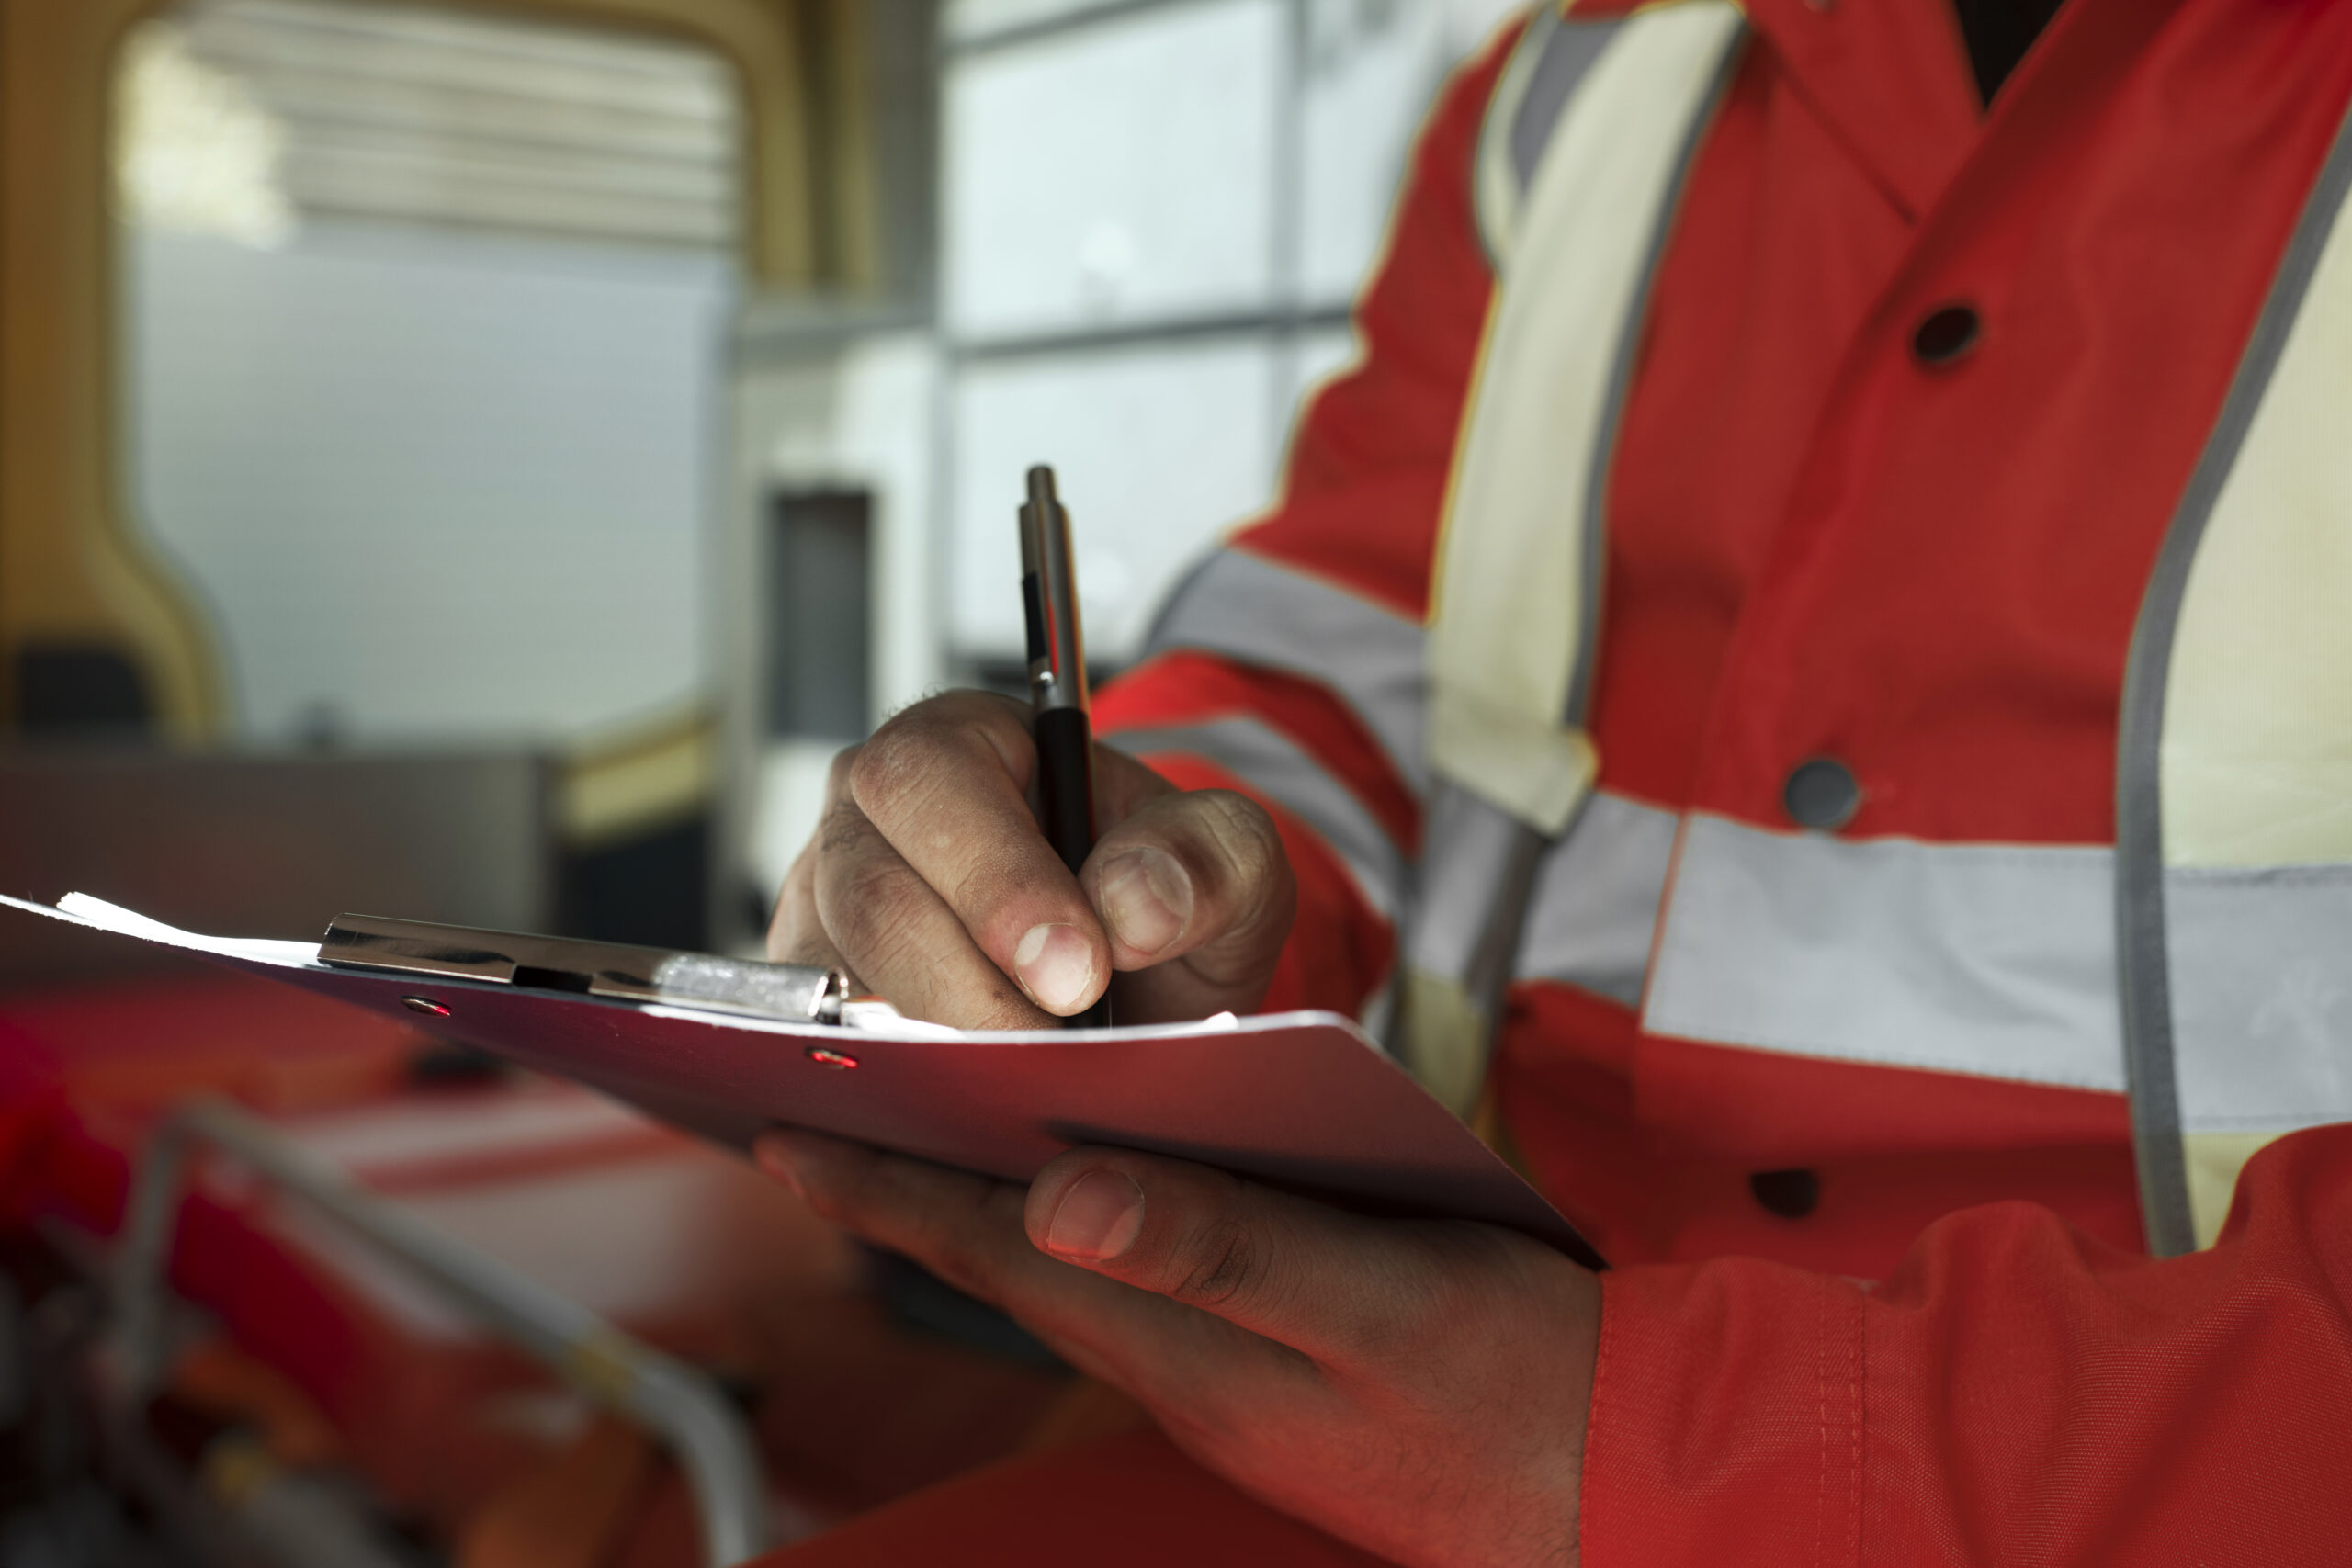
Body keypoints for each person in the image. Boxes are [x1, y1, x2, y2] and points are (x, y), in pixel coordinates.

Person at [756, 0, 2352, 1561]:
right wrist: (1120, 872)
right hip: (1457, 1415)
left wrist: (1681, 1439)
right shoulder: (1576, 84)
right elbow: (1349, 662)